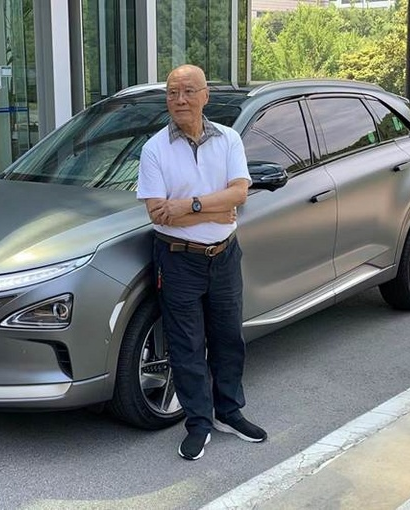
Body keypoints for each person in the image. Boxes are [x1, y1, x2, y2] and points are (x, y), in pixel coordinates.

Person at [137, 64, 267, 461]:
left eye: (188, 91)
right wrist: (214, 210)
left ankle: (229, 412)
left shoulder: (228, 139)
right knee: (186, 345)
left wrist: (188, 206)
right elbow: (157, 214)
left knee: (228, 339)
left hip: (224, 255)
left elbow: (239, 195)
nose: (180, 99)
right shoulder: (154, 149)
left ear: (205, 95)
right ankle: (198, 423)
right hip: (177, 260)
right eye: (172, 92)